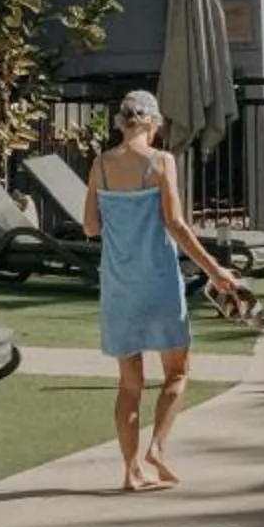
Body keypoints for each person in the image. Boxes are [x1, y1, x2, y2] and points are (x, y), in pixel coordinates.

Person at [84, 89, 246, 492]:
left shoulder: (100, 164)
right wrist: (215, 270)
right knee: (177, 371)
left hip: (118, 286)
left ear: (121, 123)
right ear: (153, 124)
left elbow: (90, 227)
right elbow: (176, 225)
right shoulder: (161, 161)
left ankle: (131, 471)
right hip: (158, 283)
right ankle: (156, 448)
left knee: (129, 385)